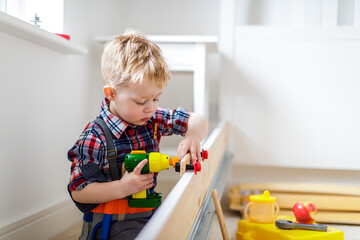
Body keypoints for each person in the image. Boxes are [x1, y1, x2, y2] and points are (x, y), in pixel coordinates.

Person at [67, 29, 208, 240]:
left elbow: (198, 120)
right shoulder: (95, 137)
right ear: (111, 93)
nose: (150, 108)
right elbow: (79, 191)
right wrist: (121, 187)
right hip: (112, 225)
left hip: (146, 215)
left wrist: (193, 136)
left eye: (156, 99)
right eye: (141, 101)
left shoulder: (150, 119)